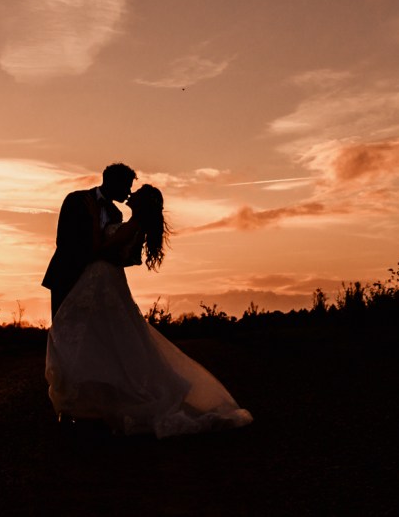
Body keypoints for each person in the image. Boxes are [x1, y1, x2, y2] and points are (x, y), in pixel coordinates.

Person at [45, 183, 253, 438]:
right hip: (102, 281)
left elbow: (99, 249)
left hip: (101, 280)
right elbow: (128, 257)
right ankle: (88, 407)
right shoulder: (132, 225)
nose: (129, 194)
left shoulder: (129, 224)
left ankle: (89, 407)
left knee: (92, 341)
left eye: (136, 192)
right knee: (100, 341)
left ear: (141, 204)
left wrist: (94, 227)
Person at [42, 162, 138, 318]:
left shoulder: (116, 214)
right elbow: (64, 239)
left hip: (95, 280)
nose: (128, 192)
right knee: (61, 328)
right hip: (67, 273)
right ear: (114, 182)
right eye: (127, 186)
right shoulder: (76, 199)